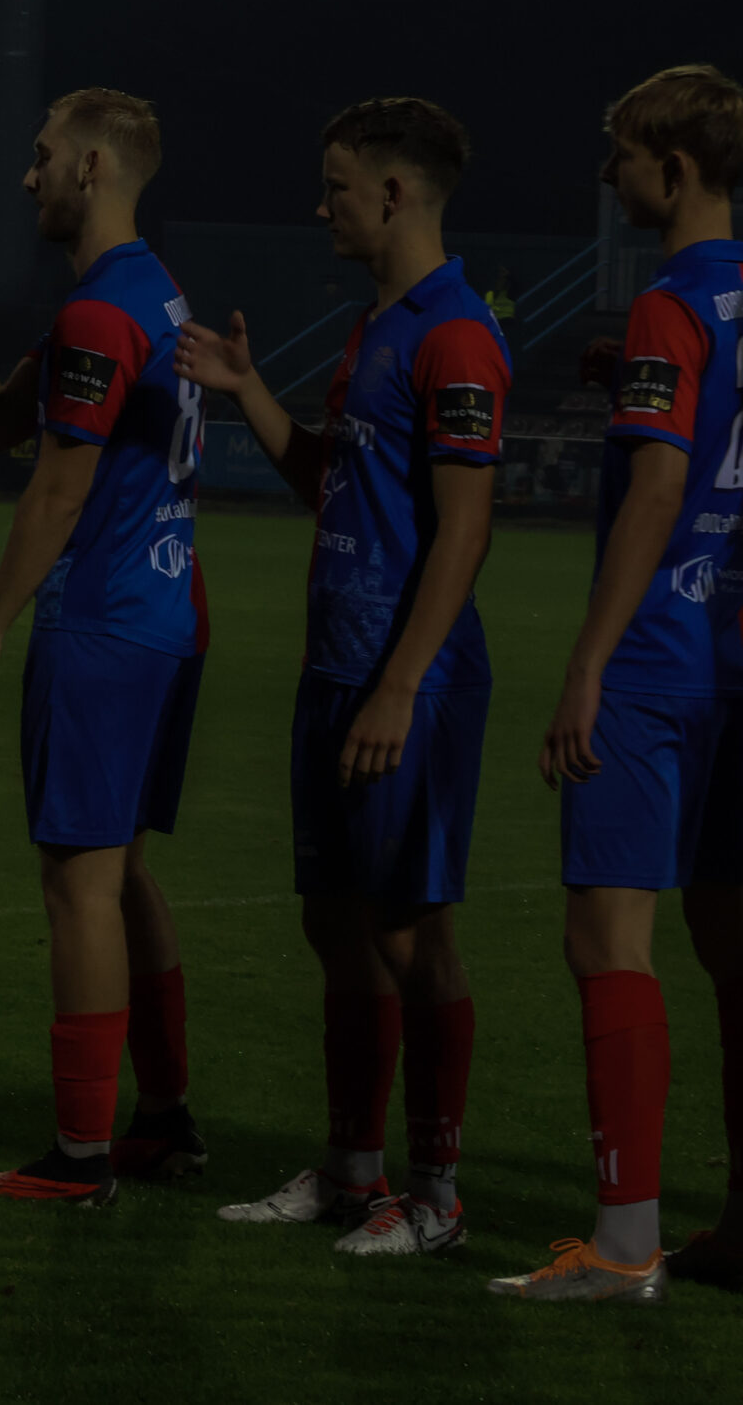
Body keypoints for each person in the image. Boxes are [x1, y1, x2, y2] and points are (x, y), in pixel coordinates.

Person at [178, 99, 506, 1256]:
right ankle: (353, 1172)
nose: (320, 207)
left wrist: (399, 684)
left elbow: (465, 529)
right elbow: (334, 480)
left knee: (411, 935)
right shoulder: (379, 327)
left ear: (394, 194)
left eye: (335, 186)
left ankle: (438, 1198)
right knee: (337, 926)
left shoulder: (455, 334)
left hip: (406, 684)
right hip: (337, 673)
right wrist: (248, 390)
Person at [0, 87, 209, 1208]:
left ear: (91, 166)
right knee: (120, 872)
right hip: (168, 614)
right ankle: (163, 1117)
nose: (28, 176)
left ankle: (80, 1156)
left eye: (42, 157)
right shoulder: (147, 293)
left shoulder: (100, 314)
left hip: (105, 626)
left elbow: (56, 488)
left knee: (77, 881)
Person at [493, 65, 743, 1303]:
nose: (609, 175)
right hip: (732, 654)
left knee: (607, 938)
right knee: (726, 941)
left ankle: (624, 1245)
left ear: (675, 170)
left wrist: (586, 663)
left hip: (653, 660)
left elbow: (656, 488)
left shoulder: (670, 301)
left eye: (624, 157)